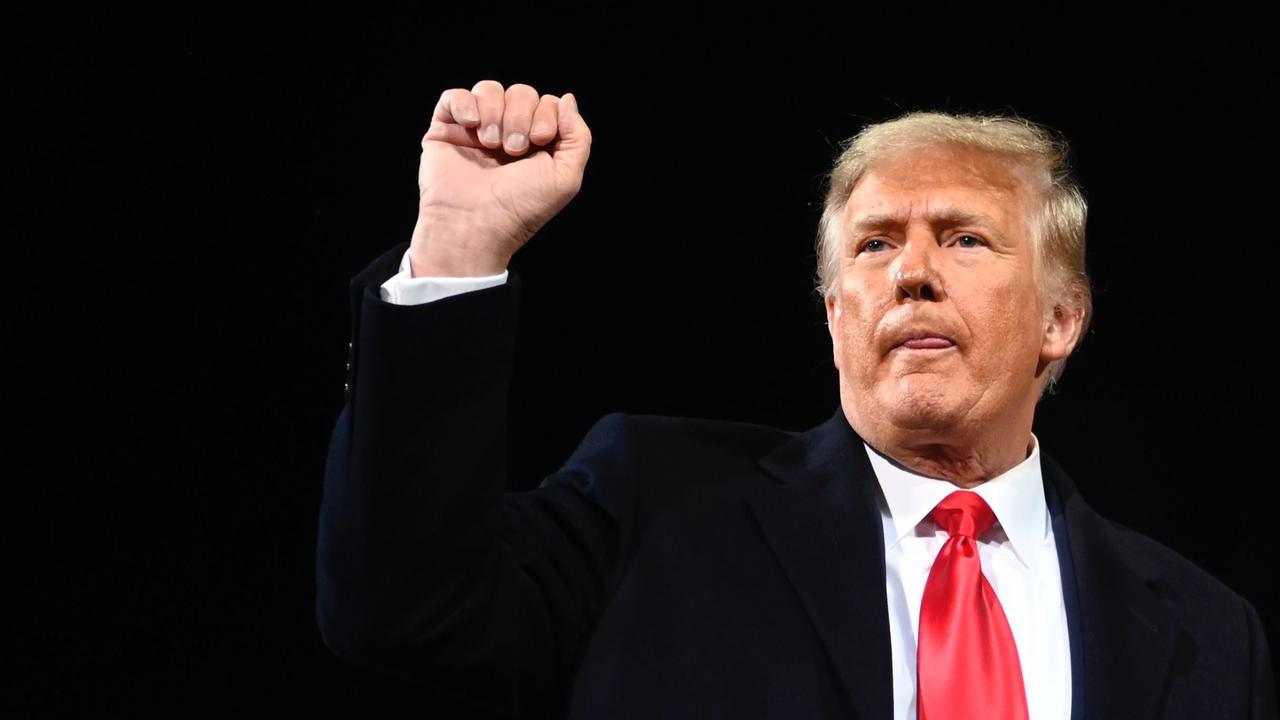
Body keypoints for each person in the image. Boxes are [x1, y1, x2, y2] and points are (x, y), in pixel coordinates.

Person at [316, 80, 1278, 719]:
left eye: (964, 239)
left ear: (1061, 320)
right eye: (873, 244)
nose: (911, 274)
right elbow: (402, 608)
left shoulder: (1208, 635)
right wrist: (455, 251)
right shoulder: (656, 505)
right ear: (832, 316)